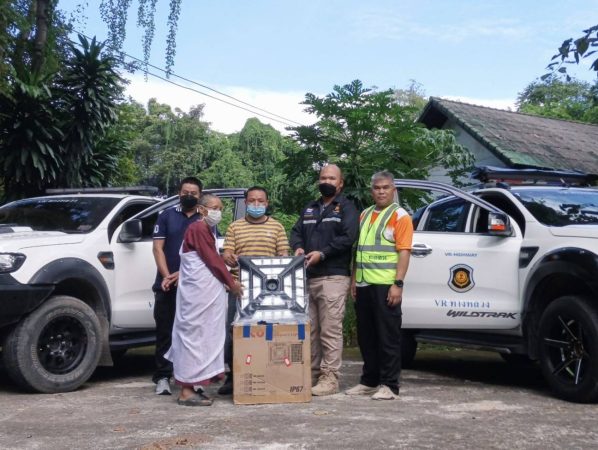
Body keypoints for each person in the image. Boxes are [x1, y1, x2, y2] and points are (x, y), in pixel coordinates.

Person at [163, 194, 242, 406]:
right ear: (201, 209)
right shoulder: (198, 229)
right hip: (197, 298)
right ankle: (187, 392)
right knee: (194, 339)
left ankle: (195, 386)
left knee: (203, 338)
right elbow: (212, 260)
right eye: (213, 207)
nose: (217, 211)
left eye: (220, 208)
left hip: (203, 296)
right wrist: (231, 283)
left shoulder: (206, 230)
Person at [290, 164, 359, 396]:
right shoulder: (310, 208)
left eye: (331, 178)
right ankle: (310, 374)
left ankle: (330, 378)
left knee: (330, 330)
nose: (326, 181)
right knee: (310, 331)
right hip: (309, 278)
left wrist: (323, 253)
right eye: (323, 177)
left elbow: (348, 238)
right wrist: (298, 247)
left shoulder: (347, 208)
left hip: (334, 276)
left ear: (340, 183)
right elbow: (296, 231)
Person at [346, 170, 413, 400]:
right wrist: (354, 279)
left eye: (386, 187)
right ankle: (369, 380)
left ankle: (390, 385)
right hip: (364, 284)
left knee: (388, 336)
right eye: (377, 187)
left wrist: (398, 284)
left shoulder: (400, 216)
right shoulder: (365, 214)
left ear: (393, 189)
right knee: (367, 336)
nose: (381, 191)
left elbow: (404, 252)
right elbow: (360, 250)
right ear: (371, 190)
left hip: (386, 285)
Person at [218, 186, 290, 395]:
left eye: (260, 201)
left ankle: (267, 375)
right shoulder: (234, 227)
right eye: (252, 201)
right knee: (235, 333)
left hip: (268, 290)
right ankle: (234, 376)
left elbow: (283, 256)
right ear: (245, 203)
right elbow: (228, 252)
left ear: (267, 203)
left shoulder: (277, 227)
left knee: (268, 333)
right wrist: (228, 256)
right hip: (239, 288)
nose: (256, 205)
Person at [151, 177, 202, 396]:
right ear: (179, 193)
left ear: (200, 195)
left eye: (193, 193)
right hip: (166, 285)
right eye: (185, 192)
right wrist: (167, 276)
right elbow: (157, 248)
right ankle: (163, 377)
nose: (189, 196)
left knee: (194, 333)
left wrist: (184, 274)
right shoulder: (166, 216)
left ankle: (195, 378)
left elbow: (206, 254)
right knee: (166, 331)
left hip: (194, 285)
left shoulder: (205, 219)